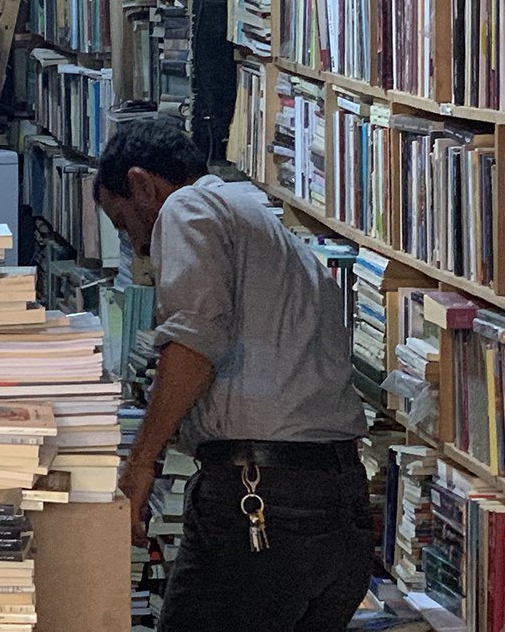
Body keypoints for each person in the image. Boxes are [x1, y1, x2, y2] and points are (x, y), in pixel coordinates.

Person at [93, 116, 372, 632]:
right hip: (340, 503)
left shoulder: (186, 206)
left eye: (123, 222)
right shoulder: (268, 228)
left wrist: (140, 464)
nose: (136, 247)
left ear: (141, 184)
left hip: (261, 502)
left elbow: (195, 341)